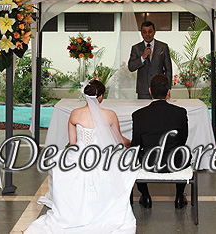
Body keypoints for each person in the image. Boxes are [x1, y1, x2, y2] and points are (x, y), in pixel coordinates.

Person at [26, 80, 138, 234]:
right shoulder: (110, 114)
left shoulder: (75, 114)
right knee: (125, 166)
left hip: (79, 156)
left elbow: (73, 143)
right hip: (102, 157)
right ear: (100, 97)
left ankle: (74, 214)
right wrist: (131, 142)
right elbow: (119, 141)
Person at [131, 74, 189, 209]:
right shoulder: (180, 112)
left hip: (149, 163)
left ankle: (145, 196)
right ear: (168, 92)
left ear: (150, 90)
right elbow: (183, 139)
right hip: (175, 162)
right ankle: (179, 197)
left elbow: (136, 144)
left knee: (134, 156)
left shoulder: (139, 115)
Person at [128, 21, 172, 99]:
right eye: (144, 32)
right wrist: (142, 57)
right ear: (141, 33)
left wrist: (167, 88)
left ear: (154, 32)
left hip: (160, 90)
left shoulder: (163, 47)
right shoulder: (136, 48)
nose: (147, 34)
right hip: (143, 90)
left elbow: (168, 69)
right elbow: (131, 67)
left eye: (150, 32)